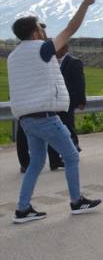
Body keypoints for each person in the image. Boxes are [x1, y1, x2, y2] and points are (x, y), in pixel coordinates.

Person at [8, 0, 101, 224]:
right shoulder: (42, 49)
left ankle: (22, 209)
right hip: (45, 117)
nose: (43, 30)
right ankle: (76, 201)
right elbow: (71, 28)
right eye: (40, 27)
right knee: (71, 156)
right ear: (35, 33)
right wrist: (85, 4)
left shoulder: (13, 56)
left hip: (26, 119)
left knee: (37, 162)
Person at [16, 44, 86, 173]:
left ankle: (56, 159)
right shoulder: (26, 59)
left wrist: (80, 100)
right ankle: (26, 163)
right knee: (24, 134)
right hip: (29, 101)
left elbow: (79, 82)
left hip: (54, 101)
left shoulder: (68, 62)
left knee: (57, 128)